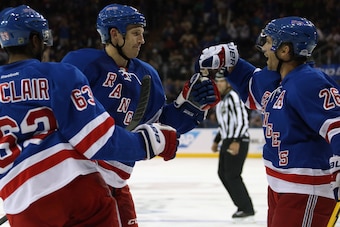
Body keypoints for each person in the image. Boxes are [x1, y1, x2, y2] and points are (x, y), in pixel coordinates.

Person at [0, 5, 180, 227]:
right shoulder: (60, 74)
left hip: (19, 201)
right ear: (37, 40)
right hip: (75, 187)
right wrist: (152, 142)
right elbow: (97, 139)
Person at [61, 3, 220, 227]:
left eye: (142, 33)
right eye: (136, 33)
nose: (142, 40)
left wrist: (191, 106)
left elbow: (162, 124)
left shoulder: (147, 75)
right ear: (115, 34)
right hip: (79, 181)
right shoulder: (81, 65)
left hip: (118, 182)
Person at [198, 16, 340, 227]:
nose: (263, 47)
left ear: (285, 50)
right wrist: (232, 63)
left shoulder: (310, 81)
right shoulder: (277, 79)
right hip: (280, 187)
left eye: (268, 41)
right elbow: (251, 86)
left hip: (307, 190)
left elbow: (336, 124)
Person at [211, 67, 254, 219]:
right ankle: (242, 206)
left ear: (228, 83)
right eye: (217, 81)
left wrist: (237, 141)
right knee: (223, 174)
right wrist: (217, 141)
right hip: (228, 140)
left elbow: (242, 119)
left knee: (232, 175)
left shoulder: (234, 97)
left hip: (238, 139)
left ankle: (246, 207)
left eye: (222, 81)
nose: (219, 84)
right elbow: (224, 125)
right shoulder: (222, 101)